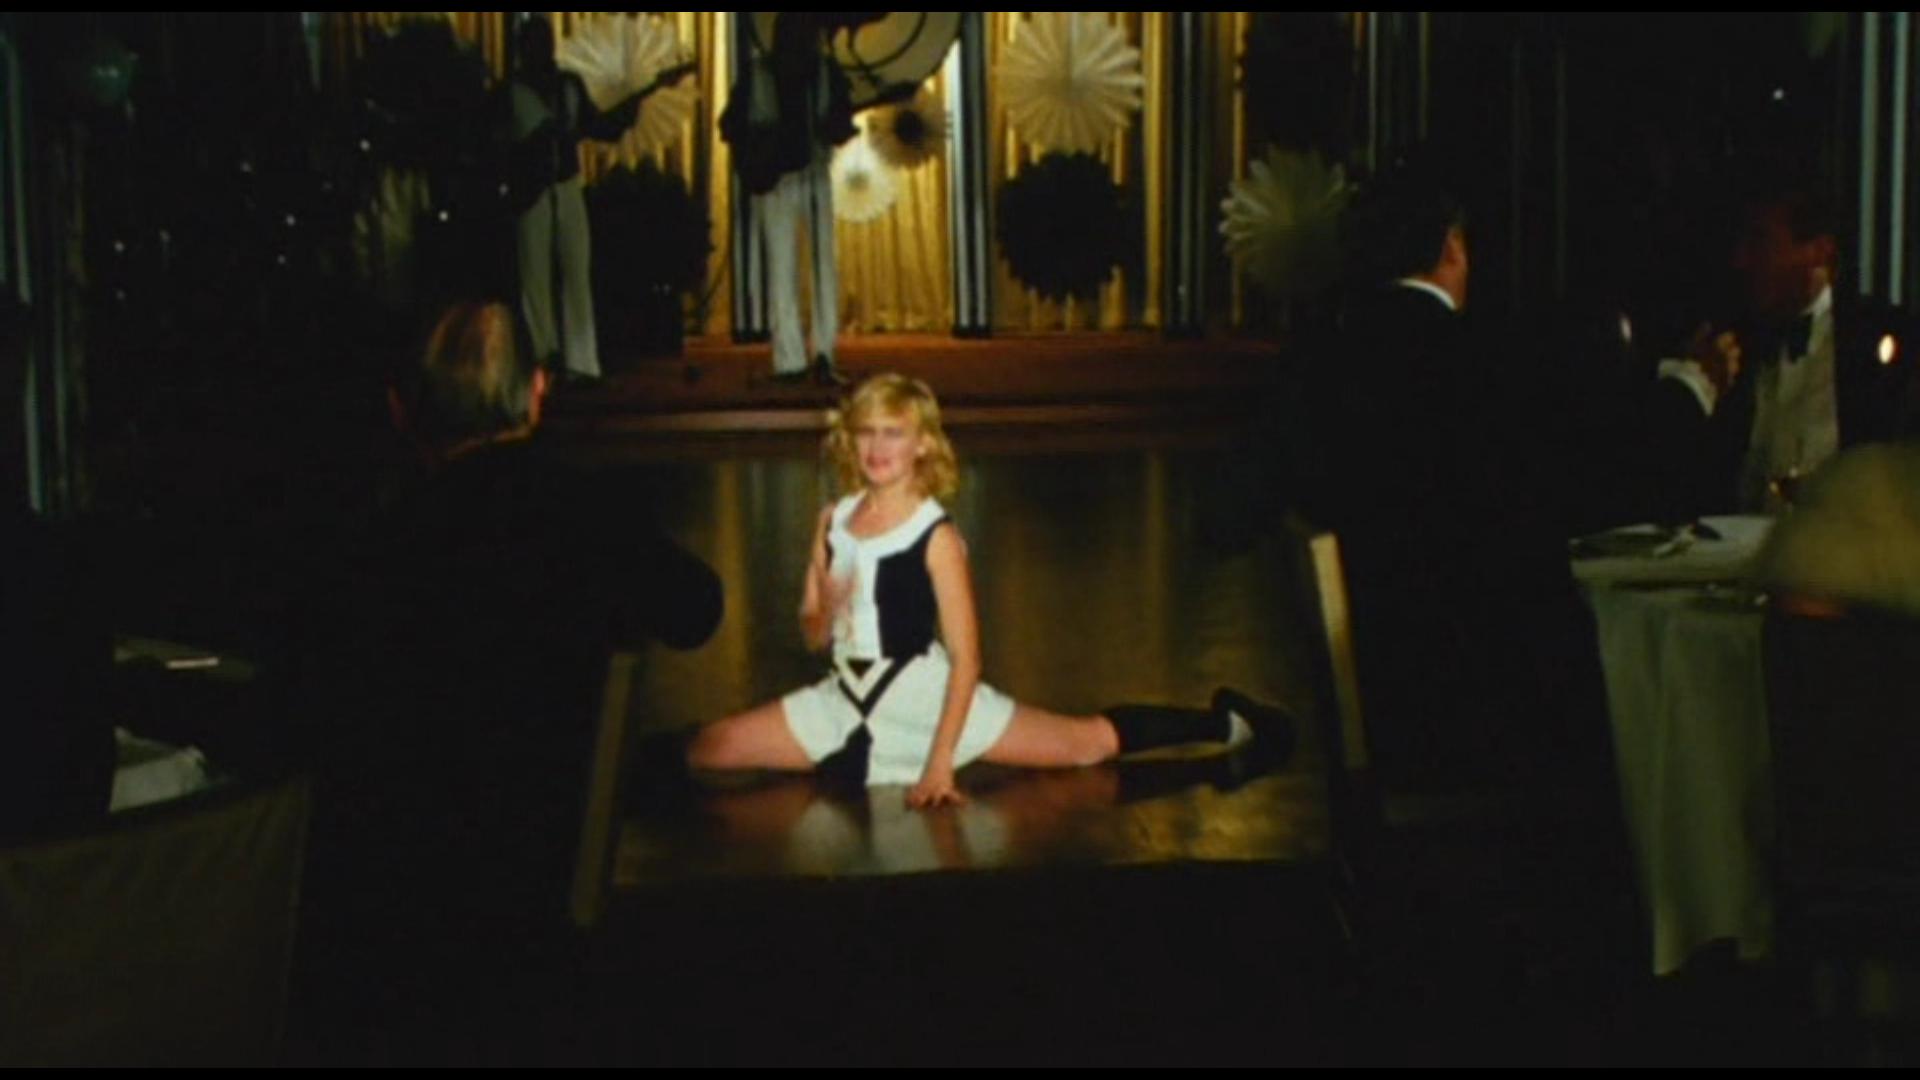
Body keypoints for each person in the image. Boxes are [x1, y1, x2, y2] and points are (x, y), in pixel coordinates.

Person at [295, 301, 721, 1055]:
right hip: (548, 871)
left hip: (391, 909)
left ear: (402, 410)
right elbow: (696, 611)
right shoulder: (587, 514)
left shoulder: (369, 546)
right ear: (537, 393)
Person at [686, 373, 1288, 808]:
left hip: (926, 700)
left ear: (923, 444)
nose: (877, 449)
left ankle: (1225, 722)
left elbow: (967, 659)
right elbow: (814, 634)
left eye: (893, 433)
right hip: (845, 698)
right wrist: (825, 606)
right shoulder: (833, 520)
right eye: (866, 432)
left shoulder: (937, 536)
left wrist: (940, 762)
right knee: (711, 747)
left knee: (1086, 745)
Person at [1698, 184, 1920, 511]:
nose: (1741, 260)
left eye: (1761, 242)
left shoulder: (1883, 341)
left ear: (1820, 253)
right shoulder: (1731, 340)